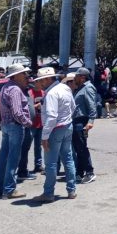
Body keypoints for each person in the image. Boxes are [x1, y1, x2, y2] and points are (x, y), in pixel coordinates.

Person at [31, 67, 77, 203]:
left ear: (46, 79)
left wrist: (44, 136)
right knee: (68, 159)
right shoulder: (65, 88)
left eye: (40, 80)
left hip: (55, 129)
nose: (38, 83)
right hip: (67, 126)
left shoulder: (51, 93)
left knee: (51, 163)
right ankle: (71, 190)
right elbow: (73, 107)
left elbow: (51, 117)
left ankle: (48, 193)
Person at [0, 64, 33, 199]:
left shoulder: (6, 87)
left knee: (3, 157)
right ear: (16, 76)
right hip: (15, 126)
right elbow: (17, 112)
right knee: (13, 159)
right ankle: (9, 189)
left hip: (6, 125)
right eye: (23, 74)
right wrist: (27, 123)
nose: (26, 76)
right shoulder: (15, 89)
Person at [72, 68, 97, 184]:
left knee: (81, 147)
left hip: (81, 121)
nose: (74, 78)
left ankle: (89, 172)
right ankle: (79, 172)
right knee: (78, 147)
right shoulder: (80, 88)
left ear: (82, 77)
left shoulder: (88, 88)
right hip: (76, 120)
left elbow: (92, 106)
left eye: (76, 76)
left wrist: (90, 121)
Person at [17, 82, 44, 181]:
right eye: (38, 82)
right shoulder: (29, 93)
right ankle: (22, 168)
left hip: (41, 123)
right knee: (25, 148)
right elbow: (25, 108)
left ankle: (38, 165)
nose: (41, 84)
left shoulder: (43, 93)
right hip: (31, 125)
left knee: (39, 147)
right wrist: (35, 106)